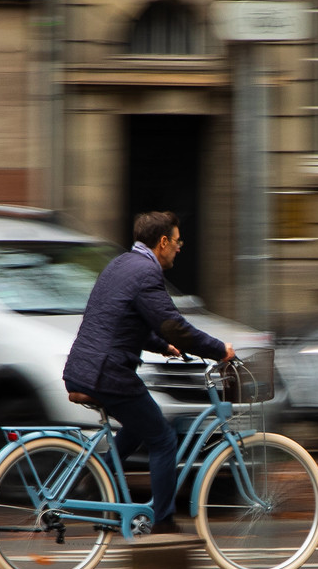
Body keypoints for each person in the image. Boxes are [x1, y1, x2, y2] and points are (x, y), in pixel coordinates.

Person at [63, 210, 235, 534]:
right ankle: (164, 523)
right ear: (163, 241)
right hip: (107, 371)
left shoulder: (121, 264)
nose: (180, 248)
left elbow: (126, 319)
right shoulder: (147, 273)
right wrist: (218, 349)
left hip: (84, 367)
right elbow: (174, 325)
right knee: (163, 438)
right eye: (178, 241)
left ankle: (97, 478)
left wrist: (161, 346)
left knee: (141, 425)